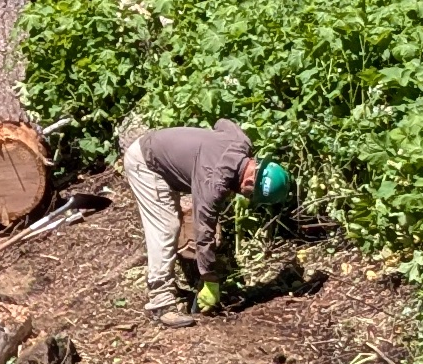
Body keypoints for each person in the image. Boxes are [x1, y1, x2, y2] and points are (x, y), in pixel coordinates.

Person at [114, 113, 291, 323]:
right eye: (250, 194)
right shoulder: (214, 182)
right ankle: (160, 302)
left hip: (158, 149)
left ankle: (169, 285)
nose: (246, 196)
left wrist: (202, 150)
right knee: (166, 226)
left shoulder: (241, 142)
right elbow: (203, 229)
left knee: (175, 220)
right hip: (145, 162)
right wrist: (209, 278)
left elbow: (222, 123)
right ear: (251, 180)